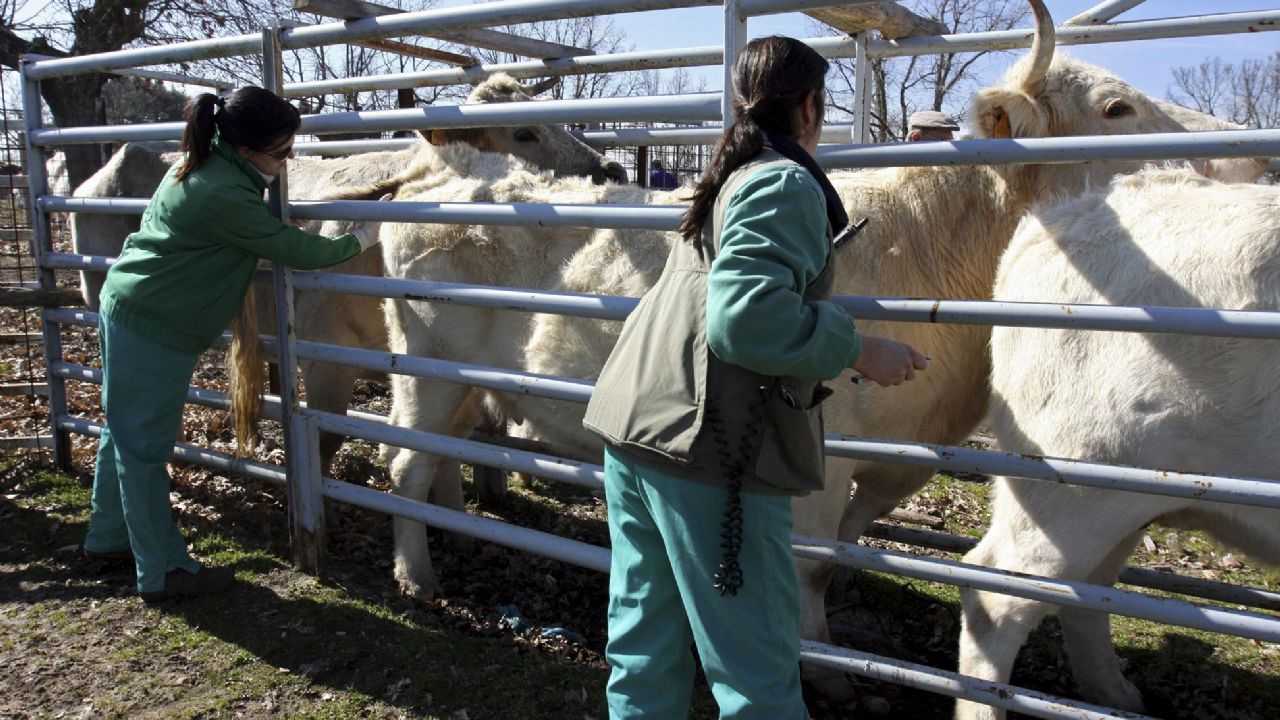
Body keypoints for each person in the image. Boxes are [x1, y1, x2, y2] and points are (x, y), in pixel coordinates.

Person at [583, 36, 929, 719]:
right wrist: (858, 348)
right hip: (710, 452)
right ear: (809, 105)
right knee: (757, 671)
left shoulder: (732, 173)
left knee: (645, 648)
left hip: (639, 428)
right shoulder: (783, 181)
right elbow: (744, 321)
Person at [80, 87, 380, 603]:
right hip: (153, 324)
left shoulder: (206, 167)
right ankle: (163, 570)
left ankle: (108, 537)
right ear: (246, 151)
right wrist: (361, 238)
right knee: (144, 449)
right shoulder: (220, 192)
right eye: (282, 153)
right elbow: (291, 247)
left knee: (123, 434)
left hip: (138, 310)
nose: (288, 164)